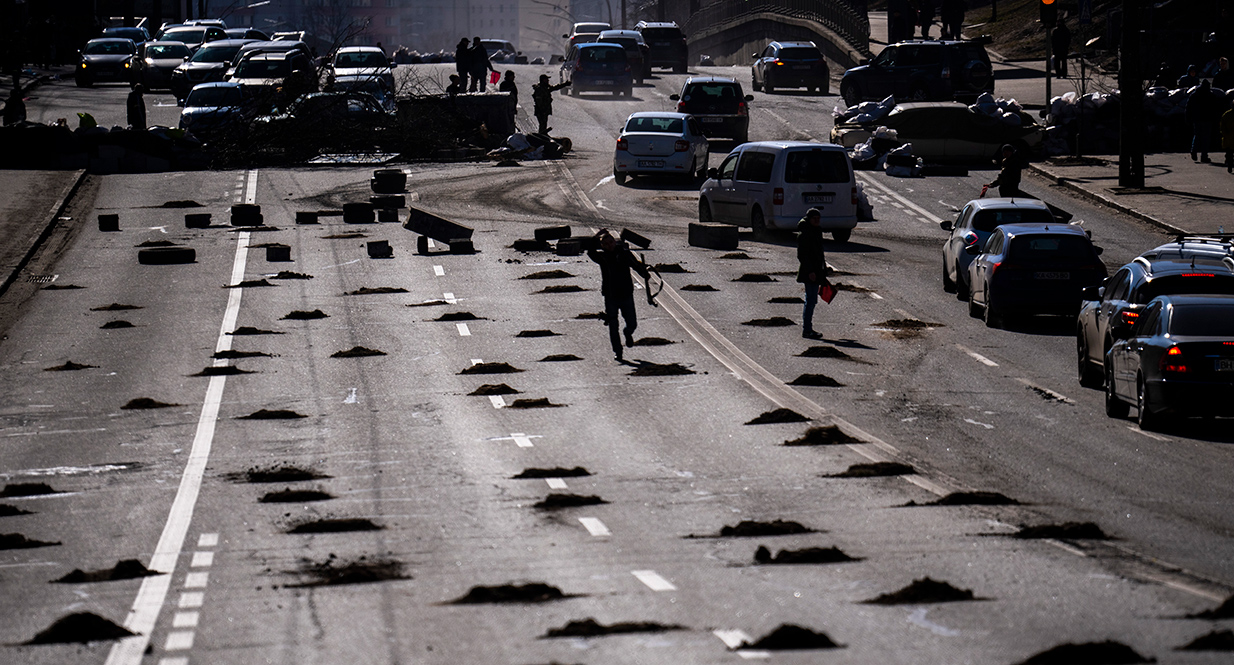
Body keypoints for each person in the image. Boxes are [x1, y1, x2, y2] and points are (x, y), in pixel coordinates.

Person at [587, 229, 650, 362]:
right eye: (606, 244)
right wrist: (596, 236)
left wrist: (644, 273)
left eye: (611, 242)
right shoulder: (602, 258)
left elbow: (635, 265)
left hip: (626, 294)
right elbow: (590, 252)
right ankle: (618, 352)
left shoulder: (624, 254)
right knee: (613, 325)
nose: (609, 245)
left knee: (632, 323)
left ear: (614, 242)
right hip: (610, 296)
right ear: (602, 246)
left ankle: (628, 333)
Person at [797, 208, 828, 340]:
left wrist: (823, 270)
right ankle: (807, 330)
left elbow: (819, 255)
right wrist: (810, 271)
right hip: (810, 273)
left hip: (816, 271)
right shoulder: (805, 234)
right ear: (809, 219)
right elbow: (802, 255)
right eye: (814, 218)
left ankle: (808, 329)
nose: (817, 220)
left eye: (818, 218)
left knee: (811, 300)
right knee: (810, 301)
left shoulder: (816, 231)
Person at [1187, 79, 1218, 162]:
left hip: (1197, 118)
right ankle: (1204, 156)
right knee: (1206, 138)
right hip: (1207, 119)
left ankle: (1194, 150)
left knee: (1197, 135)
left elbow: (1189, 107)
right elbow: (1215, 109)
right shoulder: (1211, 95)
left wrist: (1188, 117)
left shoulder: (1194, 94)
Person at [1221, 98, 1234, 173]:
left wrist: (1224, 134)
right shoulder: (1227, 115)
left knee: (1229, 153)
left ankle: (1229, 164)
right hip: (1229, 137)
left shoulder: (1226, 115)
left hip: (1228, 138)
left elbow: (1222, 126)